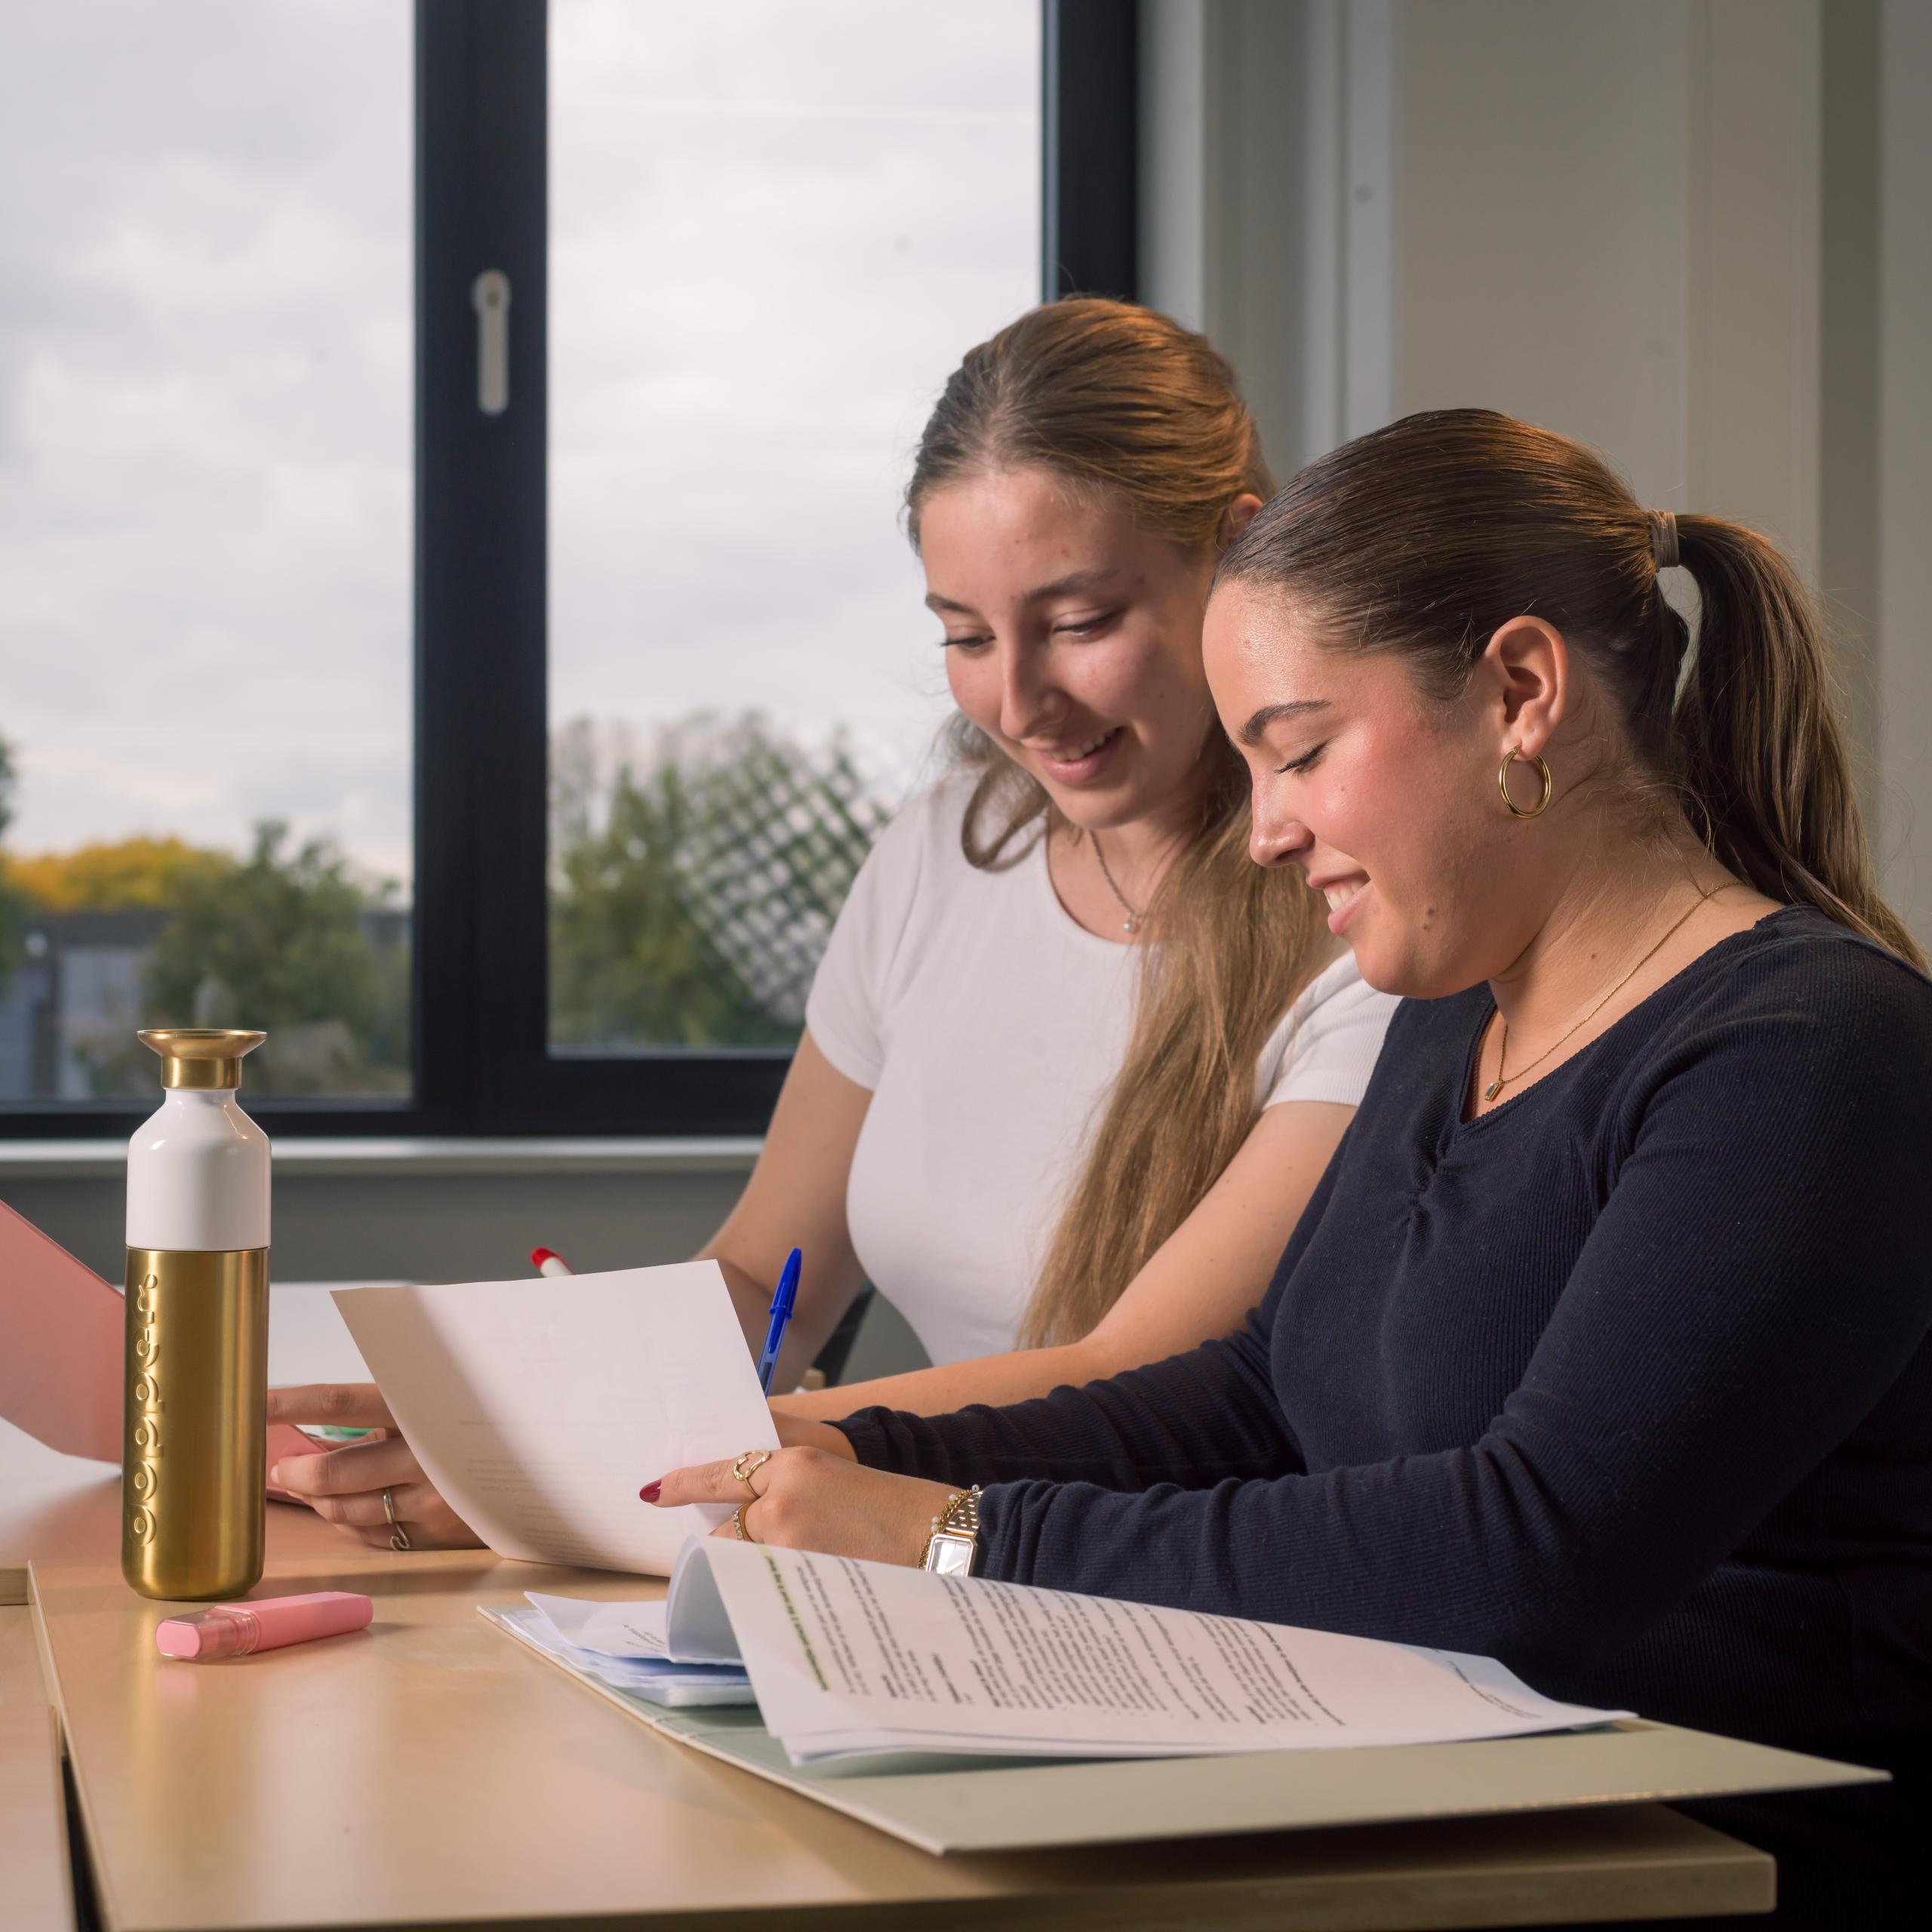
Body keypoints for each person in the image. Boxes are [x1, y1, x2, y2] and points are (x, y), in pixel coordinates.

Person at [654, 409, 1932, 1925]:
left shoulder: (1808, 1048)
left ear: (1520, 694)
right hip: (1447, 1815)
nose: (1263, 833)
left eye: (1302, 752)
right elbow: (1262, 1398)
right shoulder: (1452, 1009)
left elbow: (1533, 1553)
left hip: (1713, 1861)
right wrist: (862, 1451)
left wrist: (960, 1537)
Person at [267, 300, 1396, 1541]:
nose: (1020, 703)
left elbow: (1131, 1381)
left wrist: (623, 1454)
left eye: (1079, 625)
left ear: (1239, 553)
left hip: (1157, 1574)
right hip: (918, 1556)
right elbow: (765, 1276)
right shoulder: (947, 847)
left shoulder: (1365, 916)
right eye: (966, 636)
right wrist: (514, 1405)